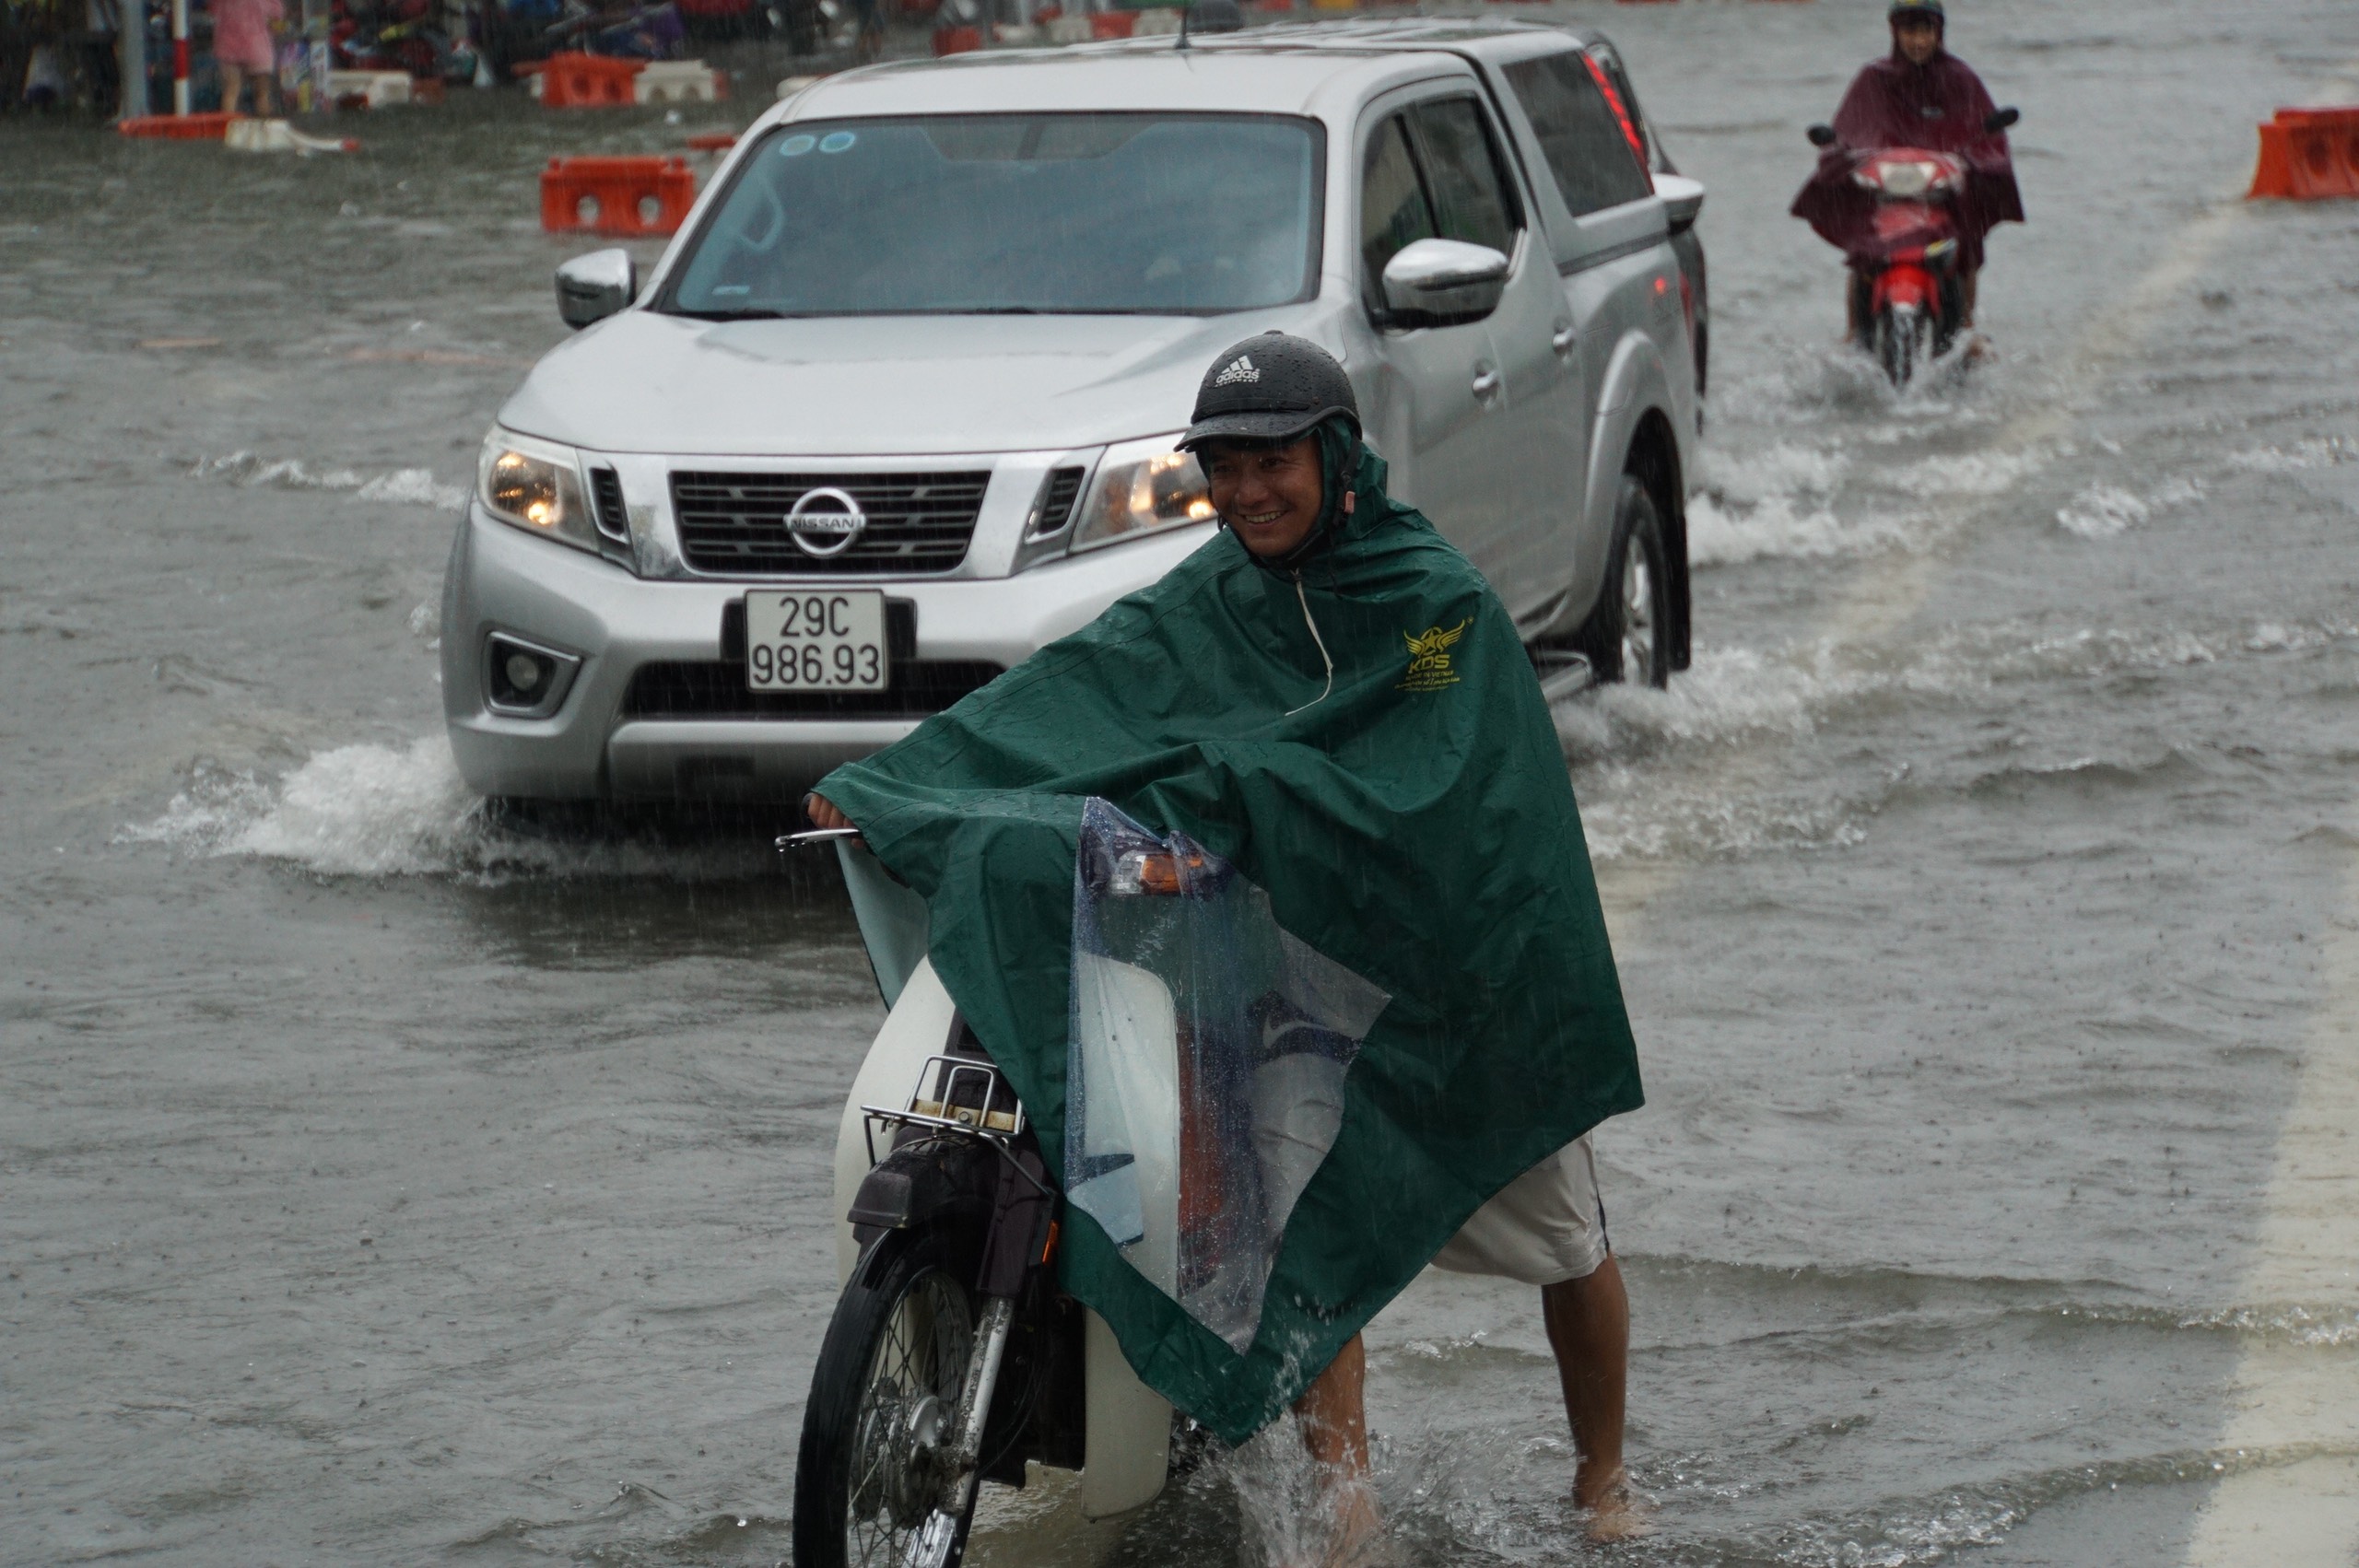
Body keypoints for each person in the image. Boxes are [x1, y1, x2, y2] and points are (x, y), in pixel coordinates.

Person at [806, 334, 1643, 1564]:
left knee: (1568, 1237)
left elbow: (1425, 728)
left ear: (1338, 455)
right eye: (1226, 466)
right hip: (1312, 958)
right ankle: (1344, 1506)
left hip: (1465, 974)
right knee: (1310, 1212)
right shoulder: (1216, 599)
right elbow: (1083, 689)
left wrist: (1242, 786)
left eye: (1275, 462)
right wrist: (898, 779)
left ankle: (1603, 1474)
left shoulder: (1431, 610)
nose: (1249, 491)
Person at [1791, 0, 2024, 350]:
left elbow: (1984, 133)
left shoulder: (1960, 78)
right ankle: (1854, 330)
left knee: (1968, 238)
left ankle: (1966, 325)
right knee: (1863, 246)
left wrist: (1974, 159)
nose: (1918, 41)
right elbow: (1850, 130)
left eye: (1925, 31)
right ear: (1895, 32)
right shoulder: (1873, 78)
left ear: (1938, 33)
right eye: (1910, 31)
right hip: (1886, 188)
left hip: (1941, 189)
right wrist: (1841, 153)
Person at [211, 0, 282, 113]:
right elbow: (276, 16)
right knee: (262, 96)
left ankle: (228, 128)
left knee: (230, 92)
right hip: (257, 47)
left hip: (228, 46)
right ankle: (264, 128)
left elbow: (213, 9)